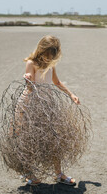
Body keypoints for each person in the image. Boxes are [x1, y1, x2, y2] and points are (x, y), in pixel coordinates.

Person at [21, 35, 80, 186]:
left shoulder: (51, 64)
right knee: (30, 140)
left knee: (55, 140)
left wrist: (71, 94)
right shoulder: (31, 63)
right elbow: (30, 88)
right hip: (31, 106)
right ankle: (27, 173)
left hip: (49, 106)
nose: (50, 59)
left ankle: (58, 174)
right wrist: (28, 80)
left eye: (53, 56)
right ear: (42, 50)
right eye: (48, 55)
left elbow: (57, 82)